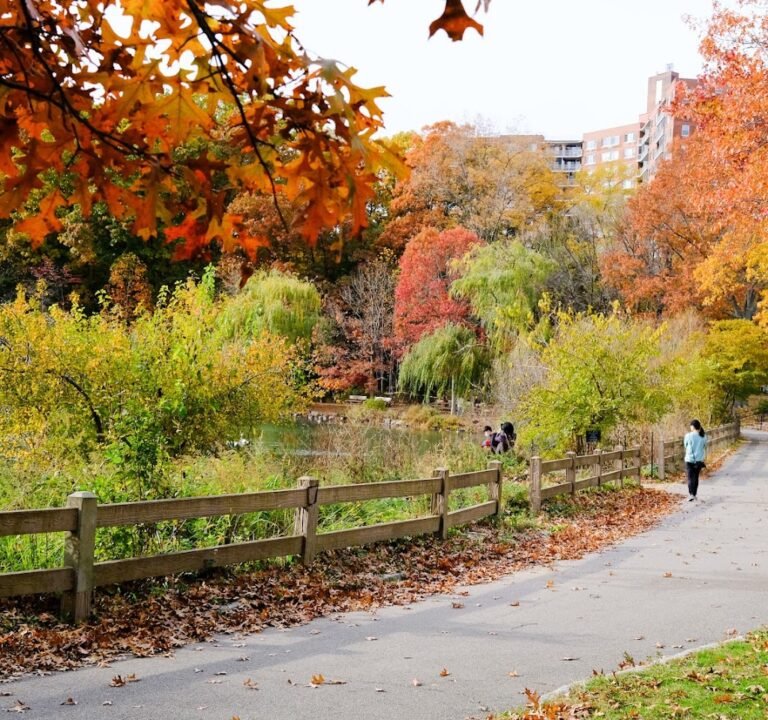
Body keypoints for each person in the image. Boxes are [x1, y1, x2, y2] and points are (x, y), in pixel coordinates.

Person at [683, 419, 707, 501]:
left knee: (690, 477)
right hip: (699, 460)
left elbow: (685, 445)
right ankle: (694, 494)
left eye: (690, 426)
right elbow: (704, 446)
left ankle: (691, 494)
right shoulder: (703, 436)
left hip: (689, 459)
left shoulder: (688, 436)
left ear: (692, 426)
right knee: (696, 477)